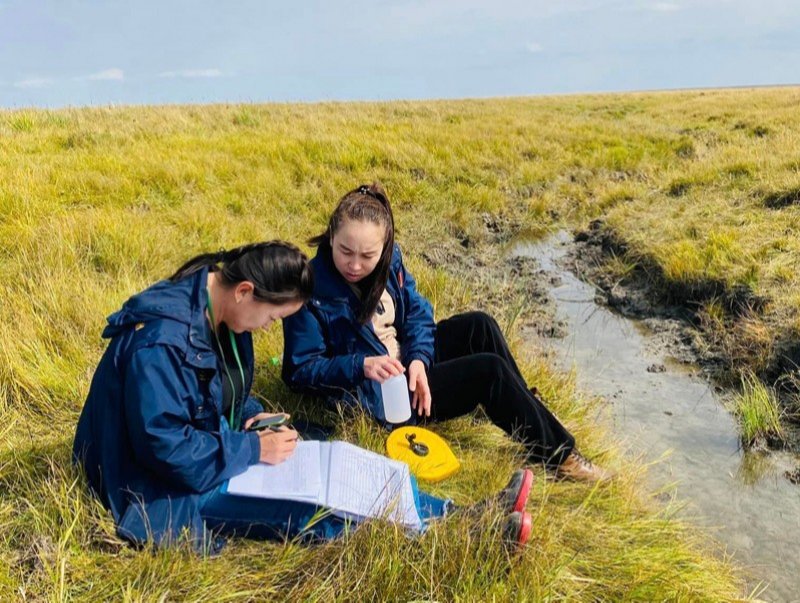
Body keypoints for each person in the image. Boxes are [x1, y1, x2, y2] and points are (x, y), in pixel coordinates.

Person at [73, 241, 533, 553]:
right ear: (246, 291)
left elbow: (215, 395)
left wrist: (252, 415)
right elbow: (165, 449)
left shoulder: (220, 309)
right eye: (273, 319)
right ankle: (467, 534)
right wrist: (253, 447)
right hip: (150, 484)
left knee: (343, 465)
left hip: (205, 449)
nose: (270, 328)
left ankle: (459, 514)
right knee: (320, 507)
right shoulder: (160, 344)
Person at [282, 184, 610, 482]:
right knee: (489, 372)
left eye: (367, 255)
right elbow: (299, 370)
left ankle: (525, 409)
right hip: (379, 396)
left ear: (385, 247)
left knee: (479, 325)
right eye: (345, 251)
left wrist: (419, 361)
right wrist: (361, 365)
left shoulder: (390, 263)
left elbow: (419, 316)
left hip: (407, 370)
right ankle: (560, 457)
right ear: (330, 237)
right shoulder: (309, 289)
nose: (355, 264)